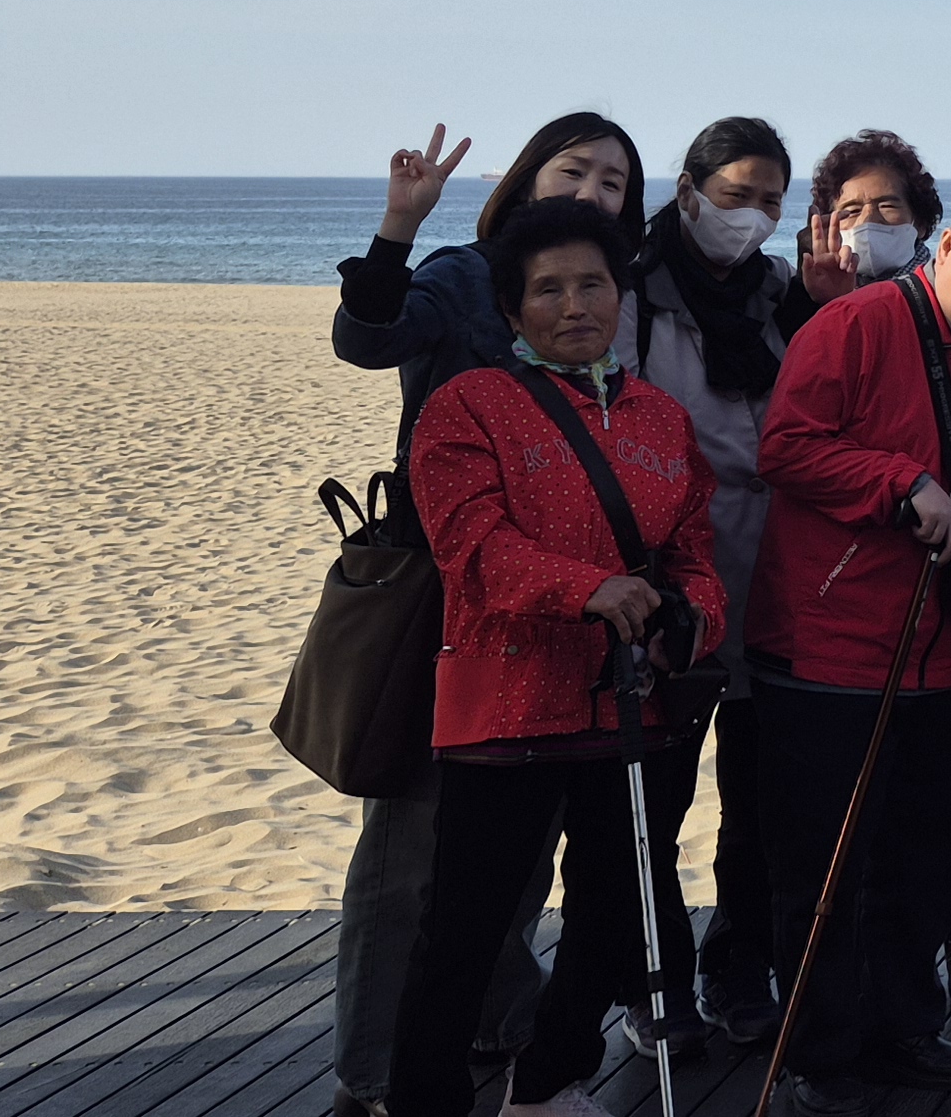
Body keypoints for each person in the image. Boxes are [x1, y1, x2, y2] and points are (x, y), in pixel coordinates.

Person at [324, 112, 644, 1117]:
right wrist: (397, 230)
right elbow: (367, 337)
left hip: (569, 603)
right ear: (527, 178)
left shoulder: (611, 294)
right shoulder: (467, 275)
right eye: (573, 169)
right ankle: (374, 1072)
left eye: (613, 182)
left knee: (516, 838)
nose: (591, 192)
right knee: (412, 849)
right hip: (449, 589)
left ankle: (500, 1020)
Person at [385, 198, 724, 1117]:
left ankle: (546, 1084)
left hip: (631, 705)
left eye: (592, 284)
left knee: (610, 915)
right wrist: (588, 588)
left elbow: (693, 548)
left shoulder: (660, 418)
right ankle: (424, 1101)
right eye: (547, 289)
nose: (574, 305)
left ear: (619, 296)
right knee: (466, 928)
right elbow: (471, 545)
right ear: (511, 307)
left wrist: (691, 619)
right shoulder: (468, 405)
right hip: (506, 704)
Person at [747, 174, 951, 1113]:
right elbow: (785, 447)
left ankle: (904, 1030)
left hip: (943, 647)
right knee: (827, 866)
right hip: (827, 641)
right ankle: (822, 1052)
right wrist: (901, 481)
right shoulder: (854, 323)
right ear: (948, 245)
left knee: (927, 857)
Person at [626, 117, 817, 1049]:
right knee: (652, 803)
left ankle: (738, 966)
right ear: (689, 190)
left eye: (771, 201)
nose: (753, 217)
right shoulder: (632, 291)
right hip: (670, 579)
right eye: (736, 196)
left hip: (775, 576)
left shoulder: (784, 294)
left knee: (760, 802)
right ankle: (649, 982)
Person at [806, 130, 936, 300]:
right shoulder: (808, 293)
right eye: (852, 211)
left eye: (887, 206)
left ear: (919, 222)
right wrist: (826, 301)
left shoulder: (945, 294)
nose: (868, 220)